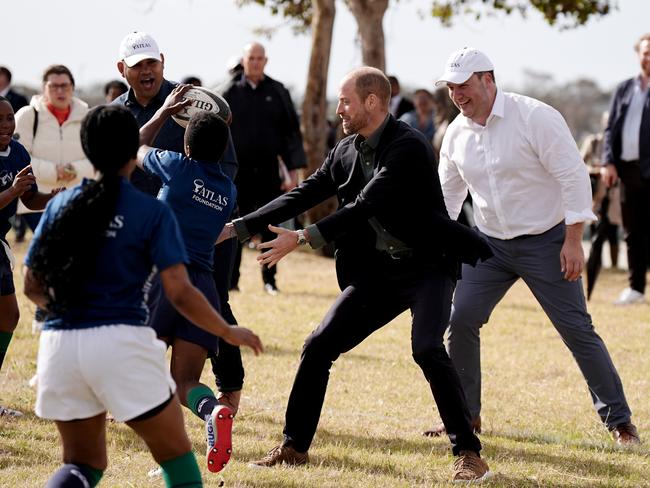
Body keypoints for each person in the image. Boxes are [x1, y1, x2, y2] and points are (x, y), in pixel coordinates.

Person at [218, 67, 494, 483]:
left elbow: (365, 204)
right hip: (378, 272)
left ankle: (469, 454)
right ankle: (294, 446)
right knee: (318, 345)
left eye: (345, 101)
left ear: (371, 101)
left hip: (427, 266)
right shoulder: (345, 149)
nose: (338, 109)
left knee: (426, 349)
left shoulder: (409, 146)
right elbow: (304, 192)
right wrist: (236, 227)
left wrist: (303, 237)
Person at [23, 105, 262, 488]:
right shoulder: (155, 212)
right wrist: (228, 331)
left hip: (59, 345)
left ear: (86, 148)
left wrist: (72, 313)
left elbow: (32, 286)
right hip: (124, 336)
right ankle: (211, 410)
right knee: (179, 462)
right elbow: (181, 292)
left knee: (81, 465)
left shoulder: (61, 205)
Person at [428, 47, 639, 445]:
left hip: (547, 240)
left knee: (576, 330)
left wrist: (574, 241)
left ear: (488, 80)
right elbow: (448, 200)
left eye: (464, 85)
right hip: (488, 245)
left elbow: (574, 177)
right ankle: (465, 417)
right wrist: (439, 246)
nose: (457, 95)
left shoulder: (535, 117)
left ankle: (620, 422)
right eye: (451, 87)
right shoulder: (455, 134)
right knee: (460, 320)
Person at [113, 31, 246, 417]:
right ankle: (205, 408)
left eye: (152, 63)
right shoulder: (117, 113)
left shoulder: (194, 105)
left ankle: (229, 387)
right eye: (138, 66)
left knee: (216, 309)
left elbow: (225, 163)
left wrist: (187, 196)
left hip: (178, 251)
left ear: (163, 62)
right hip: (148, 239)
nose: (147, 71)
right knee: (182, 360)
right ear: (123, 70)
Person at [136, 85, 242, 472]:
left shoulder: (177, 167)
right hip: (204, 288)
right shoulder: (227, 190)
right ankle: (213, 411)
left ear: (187, 146)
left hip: (163, 281)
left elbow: (134, 146)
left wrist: (164, 111)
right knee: (184, 382)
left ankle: (167, 455)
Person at [221, 41, 306, 295]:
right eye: (251, 58)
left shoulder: (278, 91)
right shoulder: (229, 92)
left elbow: (292, 133)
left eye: (260, 58)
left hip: (269, 172)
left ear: (265, 61)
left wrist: (293, 172)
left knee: (270, 226)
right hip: (237, 173)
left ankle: (270, 280)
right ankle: (231, 280)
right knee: (235, 226)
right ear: (244, 60)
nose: (255, 62)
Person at [14, 64, 94, 331]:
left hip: (78, 201)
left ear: (73, 87)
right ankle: (45, 310)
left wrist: (71, 171)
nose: (60, 91)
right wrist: (52, 172)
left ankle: (53, 311)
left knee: (70, 259)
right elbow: (18, 157)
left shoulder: (87, 115)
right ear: (43, 88)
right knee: (50, 256)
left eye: (65, 85)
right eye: (54, 85)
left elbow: (97, 157)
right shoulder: (28, 116)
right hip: (37, 201)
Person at [0, 96, 62, 417]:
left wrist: (53, 199)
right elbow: (13, 193)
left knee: (9, 317)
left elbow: (29, 196)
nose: (6, 125)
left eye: (9, 118)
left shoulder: (19, 152)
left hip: (0, 244)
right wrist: (11, 191)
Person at [601, 33, 650, 305]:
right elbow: (611, 130)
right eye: (645, 52)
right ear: (638, 55)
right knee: (632, 231)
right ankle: (636, 289)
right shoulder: (624, 89)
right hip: (628, 171)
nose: (649, 57)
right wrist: (609, 162)